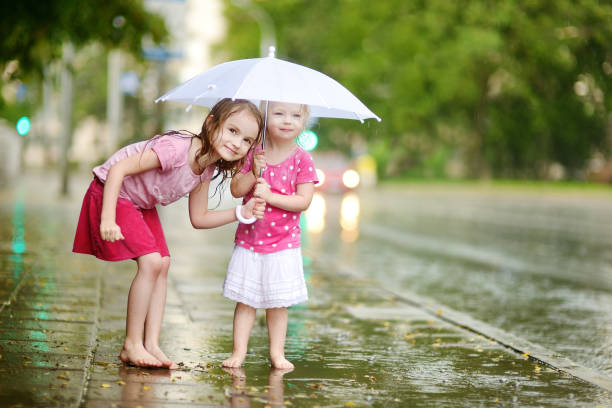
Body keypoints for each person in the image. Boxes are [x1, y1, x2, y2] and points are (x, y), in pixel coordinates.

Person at [73, 98, 266, 369]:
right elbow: (118, 169)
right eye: (232, 131)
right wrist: (107, 218)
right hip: (112, 191)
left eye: (247, 140)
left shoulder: (206, 169)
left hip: (140, 203)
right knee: (151, 262)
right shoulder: (176, 149)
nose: (237, 143)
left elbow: (199, 219)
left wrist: (240, 213)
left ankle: (151, 343)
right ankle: (132, 344)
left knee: (163, 263)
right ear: (211, 123)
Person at [222, 101, 318, 369]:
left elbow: (304, 201)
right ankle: (238, 352)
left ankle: (277, 353)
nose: (288, 120)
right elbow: (236, 190)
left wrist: (271, 196)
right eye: (279, 113)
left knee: (278, 303)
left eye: (295, 115)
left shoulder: (302, 158)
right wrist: (253, 173)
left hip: (283, 244)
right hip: (250, 242)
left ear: (303, 120)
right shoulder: (255, 152)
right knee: (246, 300)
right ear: (266, 118)